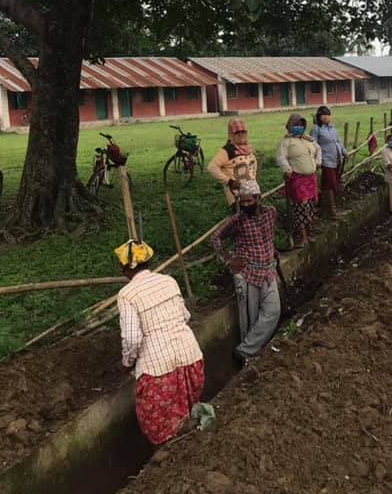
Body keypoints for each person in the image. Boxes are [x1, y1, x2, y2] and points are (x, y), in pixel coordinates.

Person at [116, 239, 205, 445]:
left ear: (126, 268)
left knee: (165, 430)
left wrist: (127, 362)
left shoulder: (127, 295)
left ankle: (170, 459)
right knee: (189, 416)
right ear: (148, 261)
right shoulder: (169, 281)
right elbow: (185, 316)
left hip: (158, 372)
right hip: (190, 357)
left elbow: (132, 338)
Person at [211, 180, 281, 363]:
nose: (245, 205)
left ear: (259, 198)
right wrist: (228, 259)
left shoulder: (271, 213)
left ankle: (245, 350)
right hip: (247, 273)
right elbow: (216, 238)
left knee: (273, 311)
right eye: (242, 202)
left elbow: (269, 235)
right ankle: (246, 356)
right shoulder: (238, 221)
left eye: (249, 201)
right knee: (249, 319)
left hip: (267, 271)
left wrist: (272, 251)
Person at [275, 113, 321, 247]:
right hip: (297, 179)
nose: (299, 127)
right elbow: (281, 157)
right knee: (301, 206)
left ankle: (309, 231)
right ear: (289, 126)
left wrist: (318, 161)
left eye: (301, 125)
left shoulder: (308, 139)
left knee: (311, 205)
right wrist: (287, 169)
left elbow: (318, 149)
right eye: (296, 125)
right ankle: (303, 236)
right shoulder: (286, 142)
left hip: (311, 178)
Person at [207, 118, 258, 211]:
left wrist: (253, 179)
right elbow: (212, 167)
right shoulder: (227, 151)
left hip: (252, 192)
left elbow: (253, 164)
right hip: (237, 196)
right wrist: (229, 182)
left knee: (254, 220)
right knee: (241, 221)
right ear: (231, 134)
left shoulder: (248, 148)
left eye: (243, 131)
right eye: (237, 132)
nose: (241, 134)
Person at [311, 106, 346, 220]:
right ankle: (332, 211)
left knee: (334, 183)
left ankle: (325, 208)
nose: (327, 117)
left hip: (337, 159)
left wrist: (344, 151)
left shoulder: (332, 128)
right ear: (319, 117)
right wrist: (317, 160)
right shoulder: (316, 129)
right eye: (324, 115)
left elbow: (338, 141)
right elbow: (313, 145)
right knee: (330, 184)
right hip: (326, 160)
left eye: (328, 114)